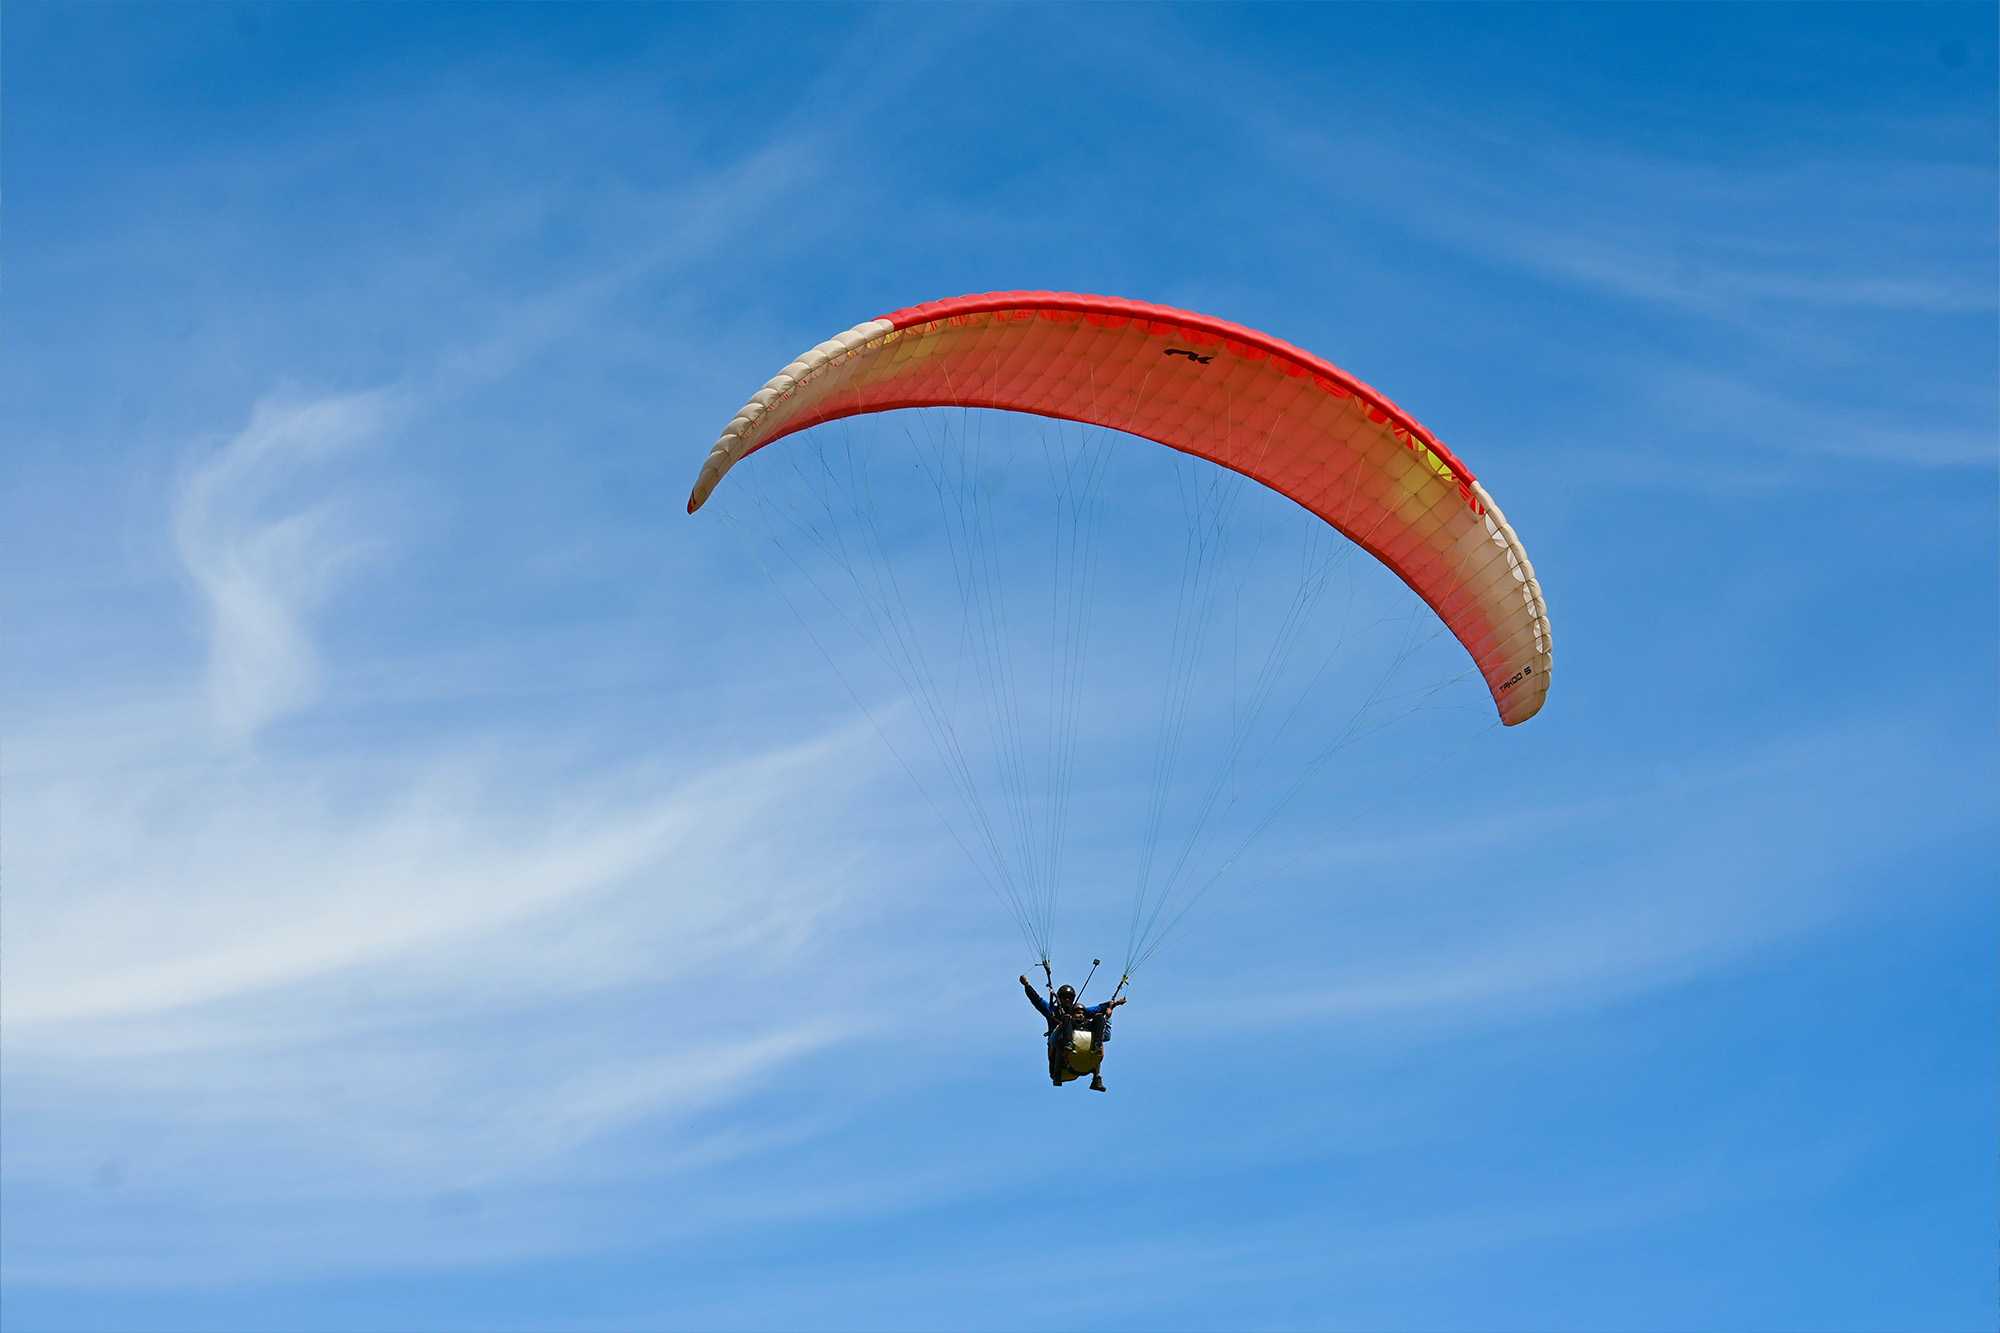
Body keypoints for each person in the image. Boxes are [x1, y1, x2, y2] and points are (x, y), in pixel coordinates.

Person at [1019, 974, 1128, 1092]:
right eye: (1064, 997)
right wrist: (1027, 985)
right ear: (1059, 998)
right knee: (1067, 1019)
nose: (1067, 1000)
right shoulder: (1052, 1011)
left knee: (1099, 1017)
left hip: (1080, 1049)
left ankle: (1096, 1071)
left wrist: (1114, 1004)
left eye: (1070, 997)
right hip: (1057, 1047)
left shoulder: (1079, 1011)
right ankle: (1066, 1051)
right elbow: (1037, 1000)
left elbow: (1098, 1009)